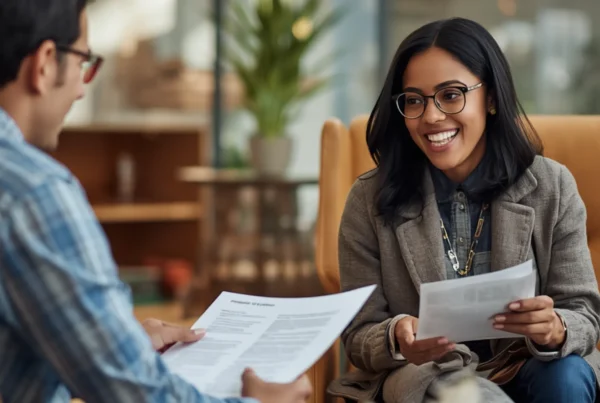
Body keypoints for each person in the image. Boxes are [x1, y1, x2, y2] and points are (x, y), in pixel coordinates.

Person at [0, 1, 312, 403]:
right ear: (44, 63)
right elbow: (138, 396)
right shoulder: (35, 193)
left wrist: (116, 344)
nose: (81, 89)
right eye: (83, 63)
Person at [329, 17, 600, 403]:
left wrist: (556, 327)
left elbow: (584, 313)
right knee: (468, 395)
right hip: (430, 374)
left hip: (528, 363)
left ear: (490, 97)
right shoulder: (369, 199)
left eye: (451, 95)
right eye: (414, 100)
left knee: (568, 377)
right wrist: (397, 336)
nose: (432, 117)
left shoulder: (552, 186)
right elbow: (358, 334)